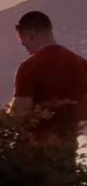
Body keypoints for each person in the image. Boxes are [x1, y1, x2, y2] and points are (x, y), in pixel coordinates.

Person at [9, 10, 87, 159]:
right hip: (67, 155)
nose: (25, 48)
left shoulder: (29, 67)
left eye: (23, 43)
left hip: (34, 156)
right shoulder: (82, 64)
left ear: (30, 36)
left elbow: (19, 114)